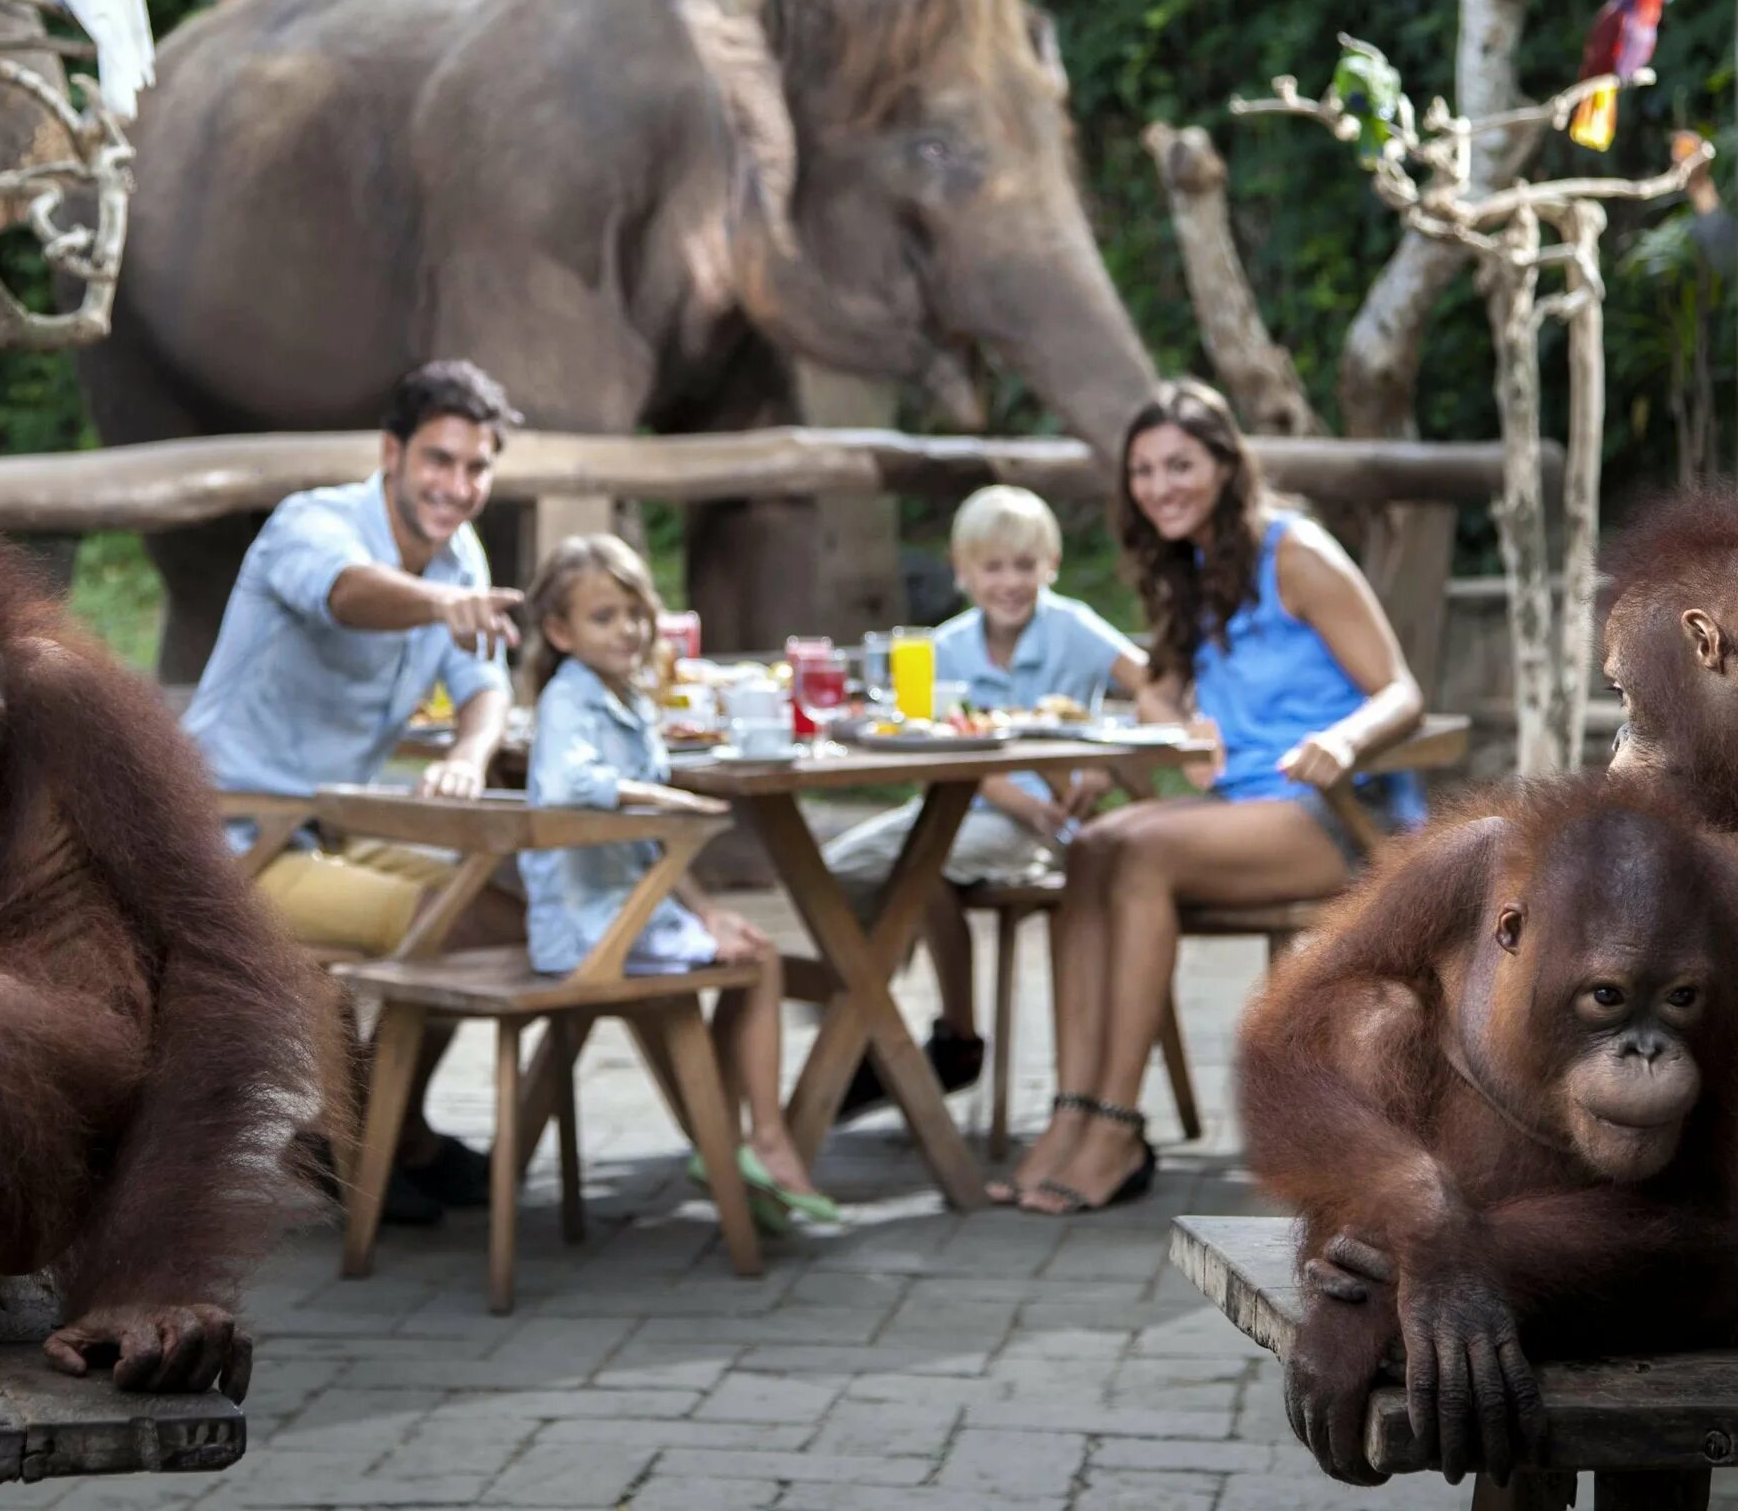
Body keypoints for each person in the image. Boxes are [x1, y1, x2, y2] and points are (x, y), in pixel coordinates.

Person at [1003, 379, 1424, 1216]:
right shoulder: (1191, 565)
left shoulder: (1294, 552)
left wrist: (1342, 741)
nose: (1162, 486)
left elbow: (1401, 690)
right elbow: (1157, 691)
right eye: (1145, 471)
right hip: (1243, 802)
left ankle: (1117, 1126)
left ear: (1226, 465)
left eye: (1180, 465)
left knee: (1142, 853)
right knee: (1090, 847)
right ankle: (1073, 1117)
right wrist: (1167, 728)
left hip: (1337, 809)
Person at [182, 357, 528, 1224]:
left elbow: (486, 684)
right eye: (440, 461)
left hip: (329, 827)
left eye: (476, 468)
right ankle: (374, 1143)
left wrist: (473, 752)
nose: (457, 486)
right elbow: (347, 596)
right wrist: (440, 606)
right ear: (391, 453)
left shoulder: (460, 557)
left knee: (502, 907)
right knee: (456, 932)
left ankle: (376, 1134)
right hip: (231, 838)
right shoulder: (317, 523)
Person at [523, 534, 838, 1231]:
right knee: (761, 965)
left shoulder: (628, 701)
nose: (628, 631)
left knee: (744, 949)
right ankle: (762, 1142)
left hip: (631, 907)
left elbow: (655, 853)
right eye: (604, 617)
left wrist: (707, 913)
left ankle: (727, 1142)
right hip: (588, 926)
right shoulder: (569, 699)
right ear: (559, 631)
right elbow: (561, 784)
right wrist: (662, 799)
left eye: (635, 614)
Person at [820, 486, 1147, 1115]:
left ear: (1049, 565)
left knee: (921, 865)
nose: (1010, 582)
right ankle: (874, 1024)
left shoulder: (1072, 629)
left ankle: (951, 1039)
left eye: (1025, 566)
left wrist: (1101, 771)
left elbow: (1150, 690)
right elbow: (936, 749)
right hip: (964, 810)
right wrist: (1018, 803)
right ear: (962, 571)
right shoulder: (943, 649)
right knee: (838, 872)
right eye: (992, 567)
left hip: (1045, 825)